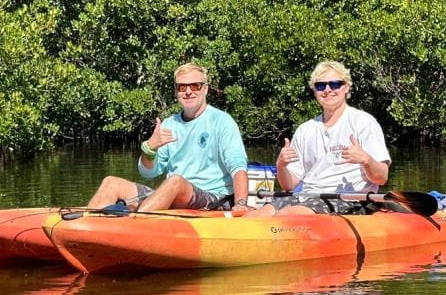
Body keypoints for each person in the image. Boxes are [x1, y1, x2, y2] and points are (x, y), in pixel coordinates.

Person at [85, 62, 250, 212]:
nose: (188, 92)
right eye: (182, 87)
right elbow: (148, 173)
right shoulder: (168, 125)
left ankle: (137, 223)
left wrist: (241, 204)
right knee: (110, 183)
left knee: (175, 181)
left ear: (205, 89)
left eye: (195, 86)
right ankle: (84, 231)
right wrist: (150, 148)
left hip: (213, 199)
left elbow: (238, 167)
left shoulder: (222, 122)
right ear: (176, 91)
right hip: (173, 194)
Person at [248, 60, 391, 217]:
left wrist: (366, 160)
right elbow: (289, 185)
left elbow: (381, 178)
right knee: (255, 217)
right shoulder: (305, 129)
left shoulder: (363, 122)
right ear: (315, 90)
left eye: (335, 84)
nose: (328, 90)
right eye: (321, 85)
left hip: (349, 199)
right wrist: (281, 165)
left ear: (346, 87)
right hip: (307, 197)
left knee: (290, 215)